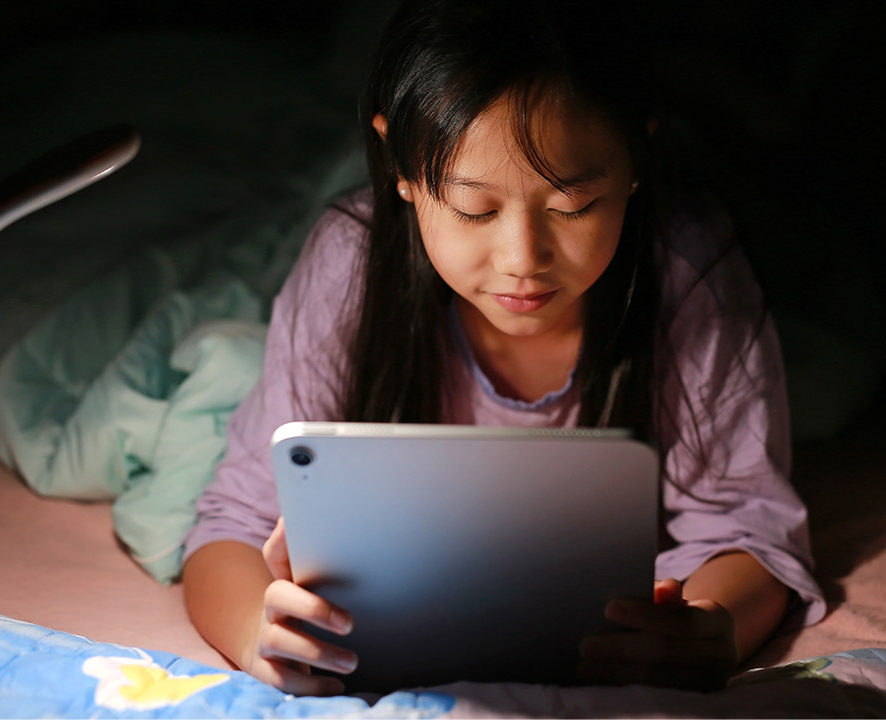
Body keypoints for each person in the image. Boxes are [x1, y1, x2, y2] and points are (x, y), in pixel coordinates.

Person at [182, 0, 824, 697]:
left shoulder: (685, 274)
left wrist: (710, 627)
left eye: (572, 206)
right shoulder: (353, 265)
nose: (523, 260)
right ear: (400, 166)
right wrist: (256, 632)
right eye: (475, 210)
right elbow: (232, 524)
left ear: (637, 157)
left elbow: (749, 531)